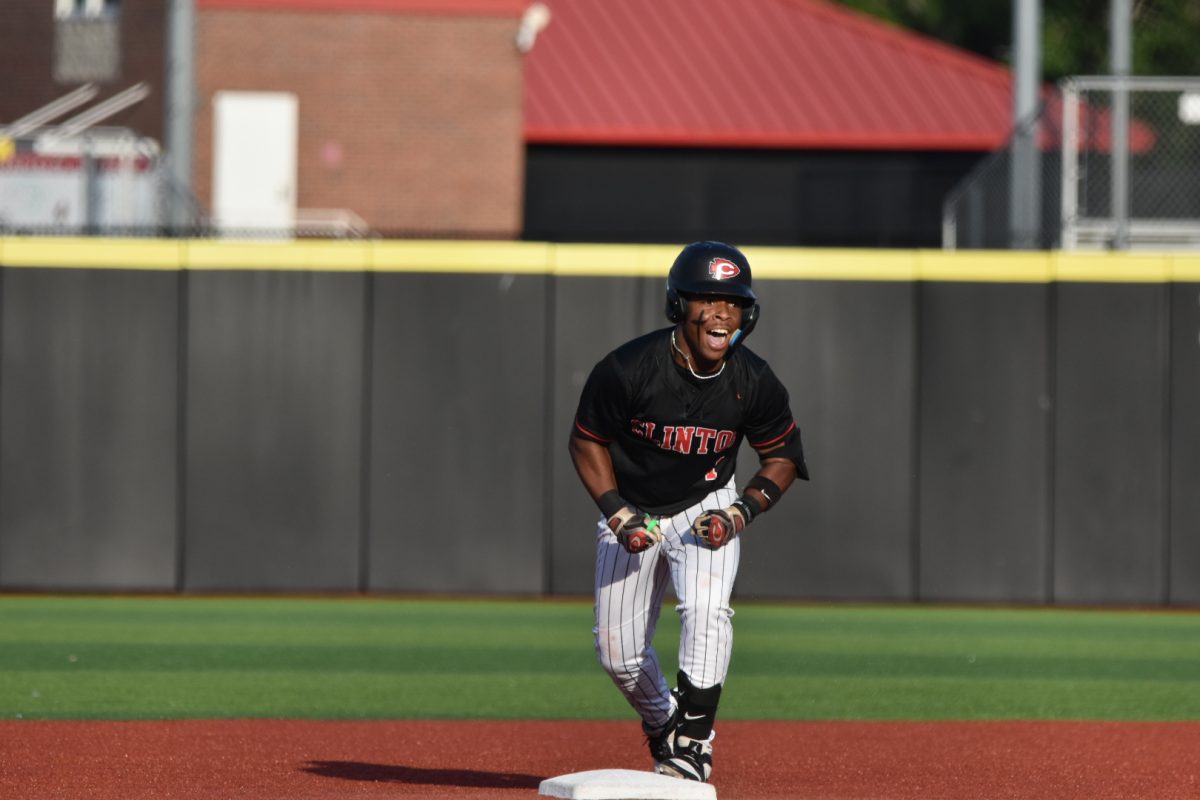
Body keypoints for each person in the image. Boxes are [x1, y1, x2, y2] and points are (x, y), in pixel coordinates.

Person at [568, 240, 809, 783]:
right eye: (707, 298)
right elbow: (586, 441)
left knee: (706, 612)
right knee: (618, 654)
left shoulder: (754, 381)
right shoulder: (628, 369)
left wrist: (741, 512)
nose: (722, 312)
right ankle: (665, 721)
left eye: (734, 301)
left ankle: (695, 741)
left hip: (708, 503)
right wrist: (615, 512)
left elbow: (783, 458)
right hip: (632, 507)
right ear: (679, 305)